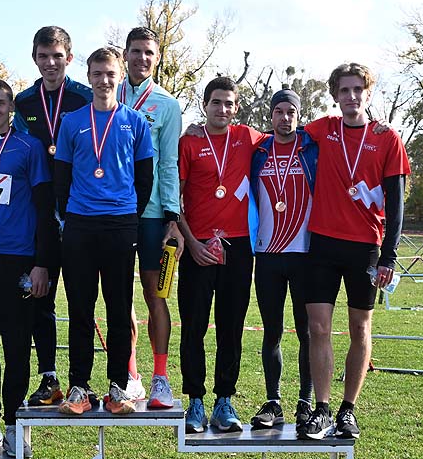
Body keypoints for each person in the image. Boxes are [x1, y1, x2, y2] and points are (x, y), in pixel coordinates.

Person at [298, 63, 409, 440]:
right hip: (322, 243)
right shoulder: (323, 129)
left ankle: (348, 410)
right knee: (318, 328)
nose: (351, 96)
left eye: (358, 89)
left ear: (368, 93)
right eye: (344, 90)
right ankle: (322, 409)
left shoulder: (387, 138)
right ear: (335, 95)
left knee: (360, 328)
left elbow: (396, 204)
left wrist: (389, 256)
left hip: (365, 247)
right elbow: (279, 132)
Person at [54, 47, 154, 415]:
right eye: (97, 74)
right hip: (80, 223)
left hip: (120, 224)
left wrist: (127, 215)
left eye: (110, 73)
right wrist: (71, 214)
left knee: (118, 308)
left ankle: (117, 386)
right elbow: (61, 177)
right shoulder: (72, 122)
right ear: (89, 77)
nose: (104, 80)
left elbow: (145, 178)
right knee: (80, 308)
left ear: (120, 75)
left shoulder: (135, 122)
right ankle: (79, 387)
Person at [0, 79, 55, 458]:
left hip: (17, 259)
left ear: (11, 108)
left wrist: (42, 263)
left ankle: (16, 425)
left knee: (17, 346)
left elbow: (45, 208)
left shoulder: (30, 148)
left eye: (0, 103)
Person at [177, 77, 267, 434]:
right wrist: (191, 243)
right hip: (198, 246)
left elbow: (292, 133)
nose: (222, 109)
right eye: (216, 102)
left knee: (231, 328)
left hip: (238, 247)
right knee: (194, 327)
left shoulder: (248, 137)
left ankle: (224, 401)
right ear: (205, 105)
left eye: (229, 103)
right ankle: (195, 401)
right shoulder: (189, 142)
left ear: (237, 107)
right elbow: (174, 198)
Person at [14, 26, 93, 407]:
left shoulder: (85, 96)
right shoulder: (23, 101)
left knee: (81, 300)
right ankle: (49, 377)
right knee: (39, 296)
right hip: (40, 210)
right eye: (43, 56)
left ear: (69, 58)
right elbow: (17, 147)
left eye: (57, 56)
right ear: (34, 58)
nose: (50, 63)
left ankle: (82, 381)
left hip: (80, 207)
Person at [120, 27, 184, 409]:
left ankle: (161, 378)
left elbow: (170, 163)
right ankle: (131, 376)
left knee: (155, 294)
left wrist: (172, 217)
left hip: (153, 214)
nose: (142, 58)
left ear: (157, 58)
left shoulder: (167, 105)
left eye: (149, 52)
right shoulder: (107, 95)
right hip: (112, 213)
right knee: (119, 297)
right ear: (125, 54)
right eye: (136, 51)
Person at [248, 89, 317, 430]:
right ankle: (273, 403)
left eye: (291, 111)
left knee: (307, 332)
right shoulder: (259, 150)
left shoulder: (312, 148)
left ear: (298, 115)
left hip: (305, 255)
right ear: (271, 115)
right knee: (272, 331)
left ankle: (306, 402)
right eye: (279, 111)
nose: (285, 117)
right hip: (268, 255)